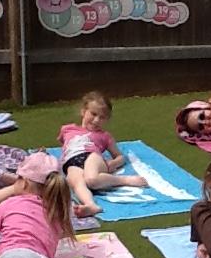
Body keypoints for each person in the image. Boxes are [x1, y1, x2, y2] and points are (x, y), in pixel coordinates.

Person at [59, 90, 147, 218]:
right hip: (71, 161)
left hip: (91, 156)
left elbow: (119, 156)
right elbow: (64, 146)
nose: (96, 120)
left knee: (91, 180)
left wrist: (114, 163)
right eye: (93, 114)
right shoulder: (67, 129)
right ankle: (90, 205)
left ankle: (124, 180)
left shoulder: (104, 136)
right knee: (75, 181)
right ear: (83, 111)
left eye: (102, 117)